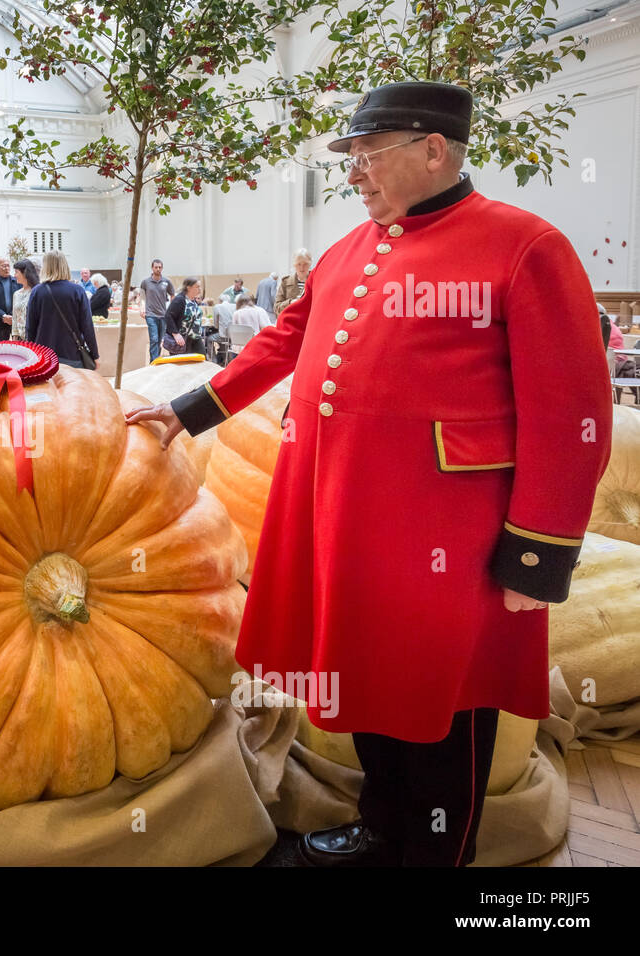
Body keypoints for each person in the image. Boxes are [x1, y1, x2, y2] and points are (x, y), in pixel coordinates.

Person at [127, 81, 613, 867]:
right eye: (349, 156)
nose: (352, 172)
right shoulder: (347, 251)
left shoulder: (525, 245)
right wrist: (190, 409)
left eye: (367, 153)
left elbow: (571, 412)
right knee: (361, 686)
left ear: (434, 149)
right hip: (340, 517)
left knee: (442, 702)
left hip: (451, 539)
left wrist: (538, 554)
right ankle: (384, 828)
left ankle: (431, 856)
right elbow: (284, 343)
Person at [26, 250, 98, 369]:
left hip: (44, 356)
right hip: (72, 355)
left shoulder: (37, 292)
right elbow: (87, 326)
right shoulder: (77, 291)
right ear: (65, 266)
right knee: (74, 387)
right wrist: (95, 354)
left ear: (46, 267)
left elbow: (30, 328)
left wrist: (32, 354)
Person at [138, 259, 174, 361]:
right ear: (152, 268)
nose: (158, 269)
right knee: (153, 339)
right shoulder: (145, 282)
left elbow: (172, 295)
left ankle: (154, 360)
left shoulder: (167, 282)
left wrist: (171, 309)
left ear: (162, 268)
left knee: (159, 340)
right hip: (150, 314)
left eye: (160, 267)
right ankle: (153, 362)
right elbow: (143, 296)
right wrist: (142, 308)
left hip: (163, 315)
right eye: (156, 267)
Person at [162, 278, 204, 355]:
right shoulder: (180, 299)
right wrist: (175, 334)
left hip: (195, 337)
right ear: (189, 287)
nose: (200, 289)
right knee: (182, 365)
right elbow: (168, 316)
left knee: (201, 359)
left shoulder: (193, 300)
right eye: (197, 287)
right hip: (183, 339)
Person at [275, 249, 313, 316]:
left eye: (305, 264)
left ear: (310, 264)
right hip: (291, 322)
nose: (302, 267)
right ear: (294, 265)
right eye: (299, 264)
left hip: (310, 322)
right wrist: (290, 302)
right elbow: (277, 308)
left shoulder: (315, 281)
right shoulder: (286, 282)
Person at [11, 259, 39, 341]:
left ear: (25, 273)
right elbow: (14, 319)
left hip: (35, 339)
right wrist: (15, 339)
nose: (14, 275)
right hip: (21, 340)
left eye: (16, 272)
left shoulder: (37, 292)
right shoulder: (16, 294)